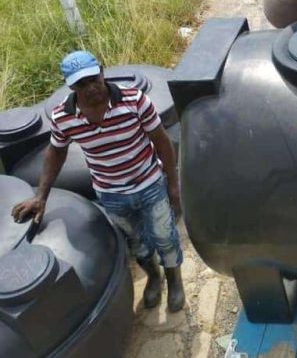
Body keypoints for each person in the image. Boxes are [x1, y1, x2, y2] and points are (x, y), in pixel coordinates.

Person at [11, 51, 185, 312]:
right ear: (71, 86)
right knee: (136, 241)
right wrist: (41, 197)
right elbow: (56, 153)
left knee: (164, 235)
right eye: (82, 84)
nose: (91, 87)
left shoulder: (134, 100)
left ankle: (174, 280)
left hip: (149, 183)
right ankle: (153, 278)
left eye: (94, 79)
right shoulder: (64, 117)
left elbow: (162, 141)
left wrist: (172, 184)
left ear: (102, 71)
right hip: (111, 193)